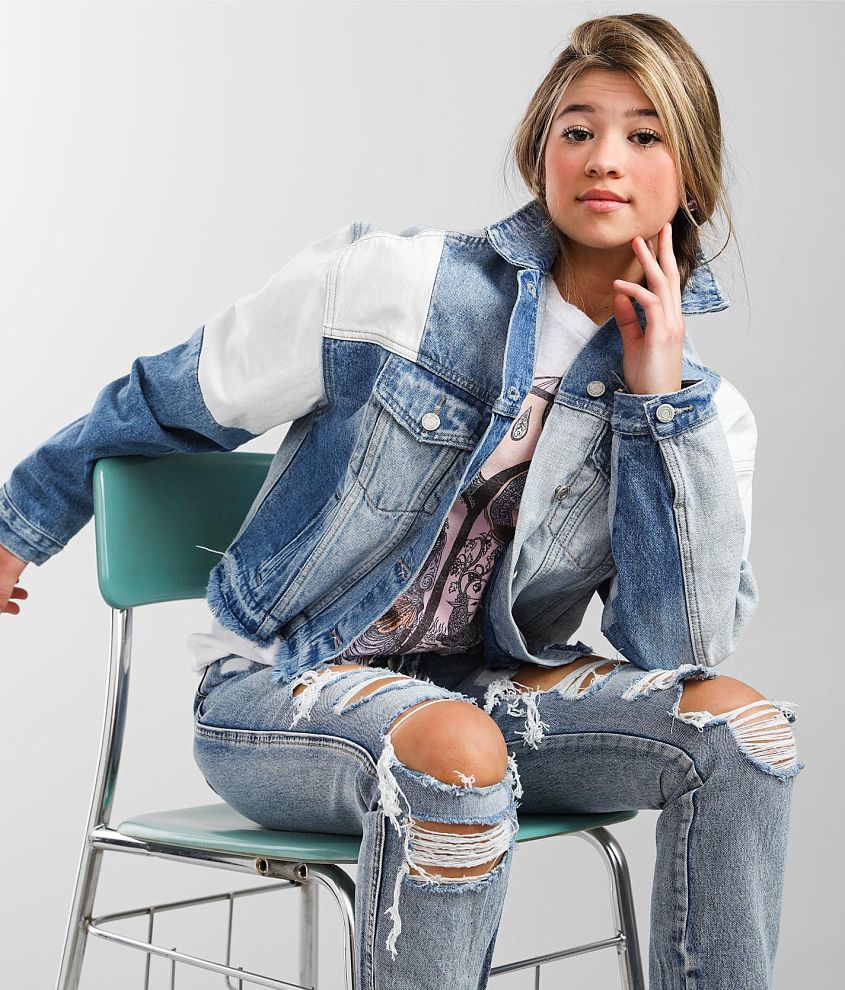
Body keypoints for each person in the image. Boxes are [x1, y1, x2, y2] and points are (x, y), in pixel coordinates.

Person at [0, 11, 803, 990]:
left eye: (644, 135)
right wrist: (20, 523)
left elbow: (673, 645)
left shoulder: (705, 417)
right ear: (539, 153)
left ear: (691, 177)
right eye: (576, 128)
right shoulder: (400, 289)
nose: (603, 158)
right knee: (457, 750)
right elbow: (179, 395)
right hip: (282, 685)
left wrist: (656, 405)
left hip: (487, 692)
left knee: (740, 734)